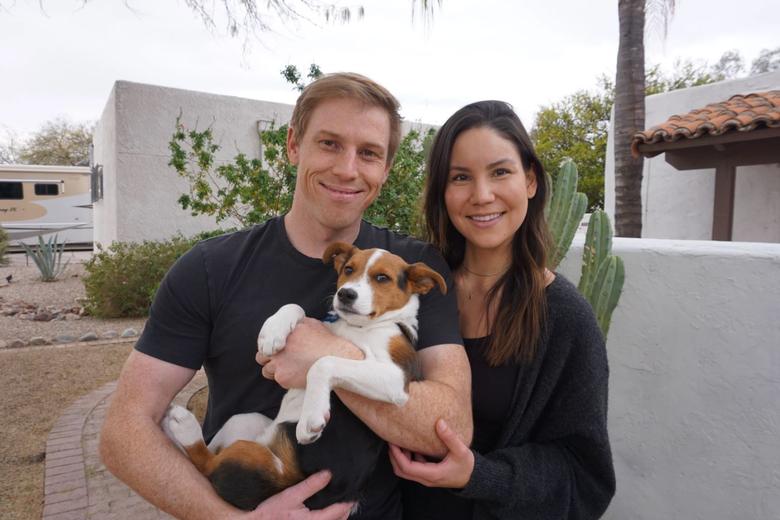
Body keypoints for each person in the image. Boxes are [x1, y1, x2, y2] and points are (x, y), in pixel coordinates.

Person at [99, 72, 472, 520]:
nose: (347, 168)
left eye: (369, 153)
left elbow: (450, 428)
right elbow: (123, 431)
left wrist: (327, 358)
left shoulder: (411, 270)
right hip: (248, 481)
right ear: (293, 144)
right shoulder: (208, 269)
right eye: (329, 143)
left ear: (386, 168)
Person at [390, 100, 615, 519]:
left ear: (530, 180)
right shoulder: (412, 294)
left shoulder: (566, 319)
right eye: (461, 177)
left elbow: (586, 479)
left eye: (500, 172)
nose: (481, 195)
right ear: (442, 190)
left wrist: (479, 474)